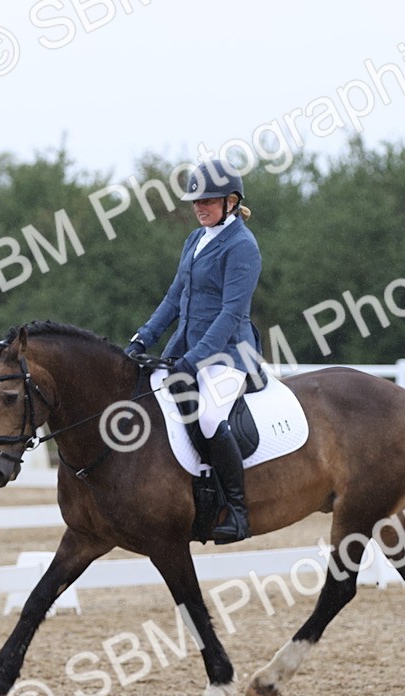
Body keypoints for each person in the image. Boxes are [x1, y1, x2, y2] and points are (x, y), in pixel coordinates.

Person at [123, 160, 262, 544]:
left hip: (231, 354)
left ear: (231, 201)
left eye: (208, 201)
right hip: (185, 347)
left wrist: (193, 361)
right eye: (195, 201)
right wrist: (142, 339)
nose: (200, 207)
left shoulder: (243, 247)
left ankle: (237, 510)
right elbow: (174, 297)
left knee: (208, 416)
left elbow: (230, 314)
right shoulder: (195, 239)